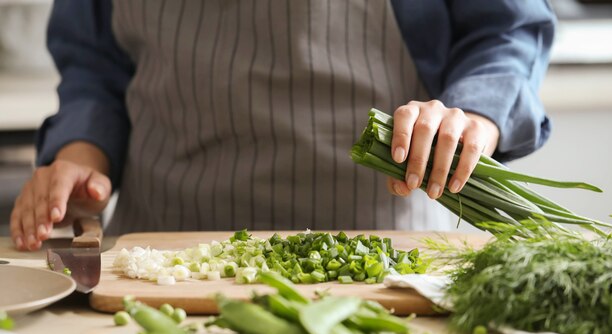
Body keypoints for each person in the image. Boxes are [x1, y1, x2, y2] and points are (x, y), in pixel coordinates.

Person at [11, 0, 556, 251]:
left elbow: (506, 32)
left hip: (386, 251)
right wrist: (83, 159)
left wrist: (471, 123)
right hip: (162, 256)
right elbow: (94, 63)